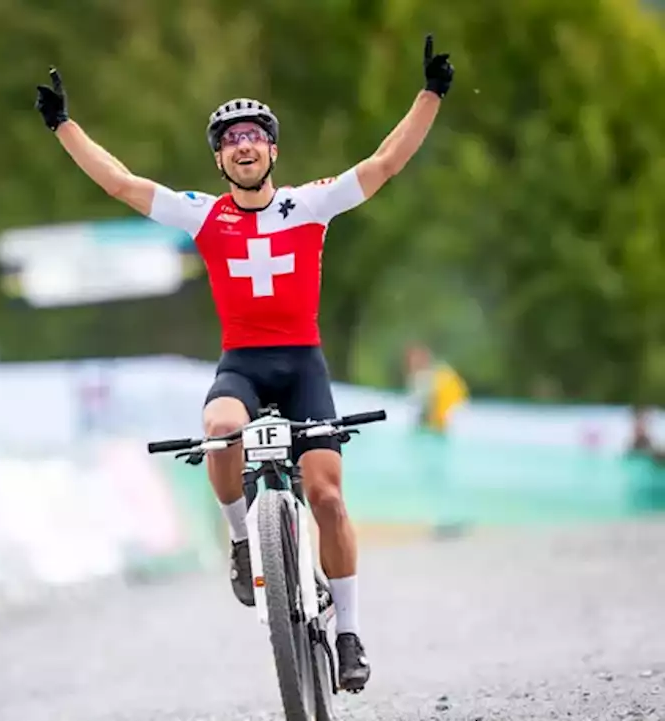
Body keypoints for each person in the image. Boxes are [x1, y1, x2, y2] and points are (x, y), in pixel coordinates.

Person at [35, 35, 455, 691]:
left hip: (303, 366)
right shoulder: (205, 217)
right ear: (220, 158)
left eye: (256, 133)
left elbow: (384, 164)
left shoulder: (309, 204)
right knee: (219, 427)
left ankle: (346, 632)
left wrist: (429, 94)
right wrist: (64, 126)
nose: (245, 143)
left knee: (329, 497)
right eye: (231, 138)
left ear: (273, 150)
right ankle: (241, 540)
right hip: (243, 365)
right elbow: (121, 183)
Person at [405, 344, 468, 435]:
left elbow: (433, 402)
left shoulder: (429, 377)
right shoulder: (432, 374)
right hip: (448, 418)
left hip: (445, 419)